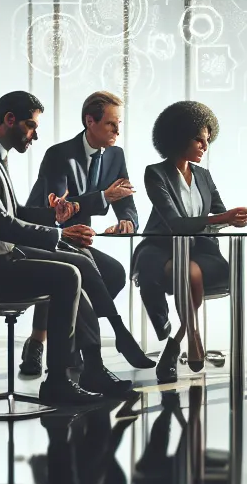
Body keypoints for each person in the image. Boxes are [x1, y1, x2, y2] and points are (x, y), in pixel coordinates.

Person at [0, 91, 133, 405]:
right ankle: (58, 380)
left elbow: (14, 212)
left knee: (77, 261)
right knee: (68, 276)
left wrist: (52, 216)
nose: (35, 135)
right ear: (10, 120)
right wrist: (57, 234)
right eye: (31, 126)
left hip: (0, 254)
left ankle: (94, 365)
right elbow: (0, 223)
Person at [22, 90, 153, 375]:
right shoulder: (59, 155)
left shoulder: (115, 155)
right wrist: (104, 196)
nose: (117, 131)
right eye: (111, 124)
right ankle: (43, 342)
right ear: (89, 121)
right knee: (73, 272)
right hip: (43, 234)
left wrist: (127, 221)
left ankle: (68, 343)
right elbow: (61, 208)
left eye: (119, 124)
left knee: (114, 273)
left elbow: (126, 201)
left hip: (76, 238)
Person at [132, 101, 247, 383]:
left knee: (192, 270)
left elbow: (217, 213)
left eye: (208, 140)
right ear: (179, 136)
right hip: (162, 249)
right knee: (189, 272)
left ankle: (177, 340)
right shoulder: (156, 173)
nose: (204, 146)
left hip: (201, 249)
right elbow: (175, 223)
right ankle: (193, 334)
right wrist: (221, 217)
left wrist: (234, 219)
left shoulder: (204, 176)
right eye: (198, 139)